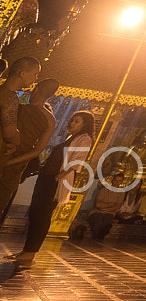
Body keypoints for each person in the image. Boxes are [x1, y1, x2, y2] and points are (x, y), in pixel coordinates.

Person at [16, 109, 94, 270]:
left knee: (43, 215)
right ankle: (26, 249)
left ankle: (31, 252)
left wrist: (58, 176)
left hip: (55, 180)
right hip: (46, 177)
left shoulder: (84, 139)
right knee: (35, 213)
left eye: (77, 121)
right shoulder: (71, 138)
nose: (72, 123)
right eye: (72, 120)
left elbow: (77, 161)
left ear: (85, 124)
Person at [0, 62, 50, 222]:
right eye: (35, 74)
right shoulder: (9, 97)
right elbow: (10, 133)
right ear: (22, 73)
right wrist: (16, 140)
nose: (35, 78)